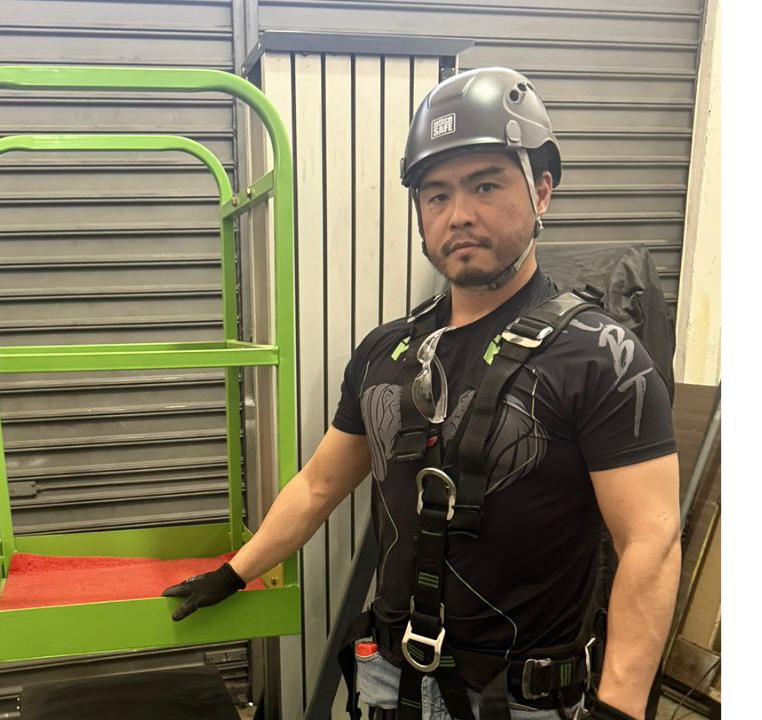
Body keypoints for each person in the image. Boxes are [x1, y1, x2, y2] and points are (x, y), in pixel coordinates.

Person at [162, 67, 681, 720]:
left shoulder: (603, 358)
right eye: (436, 195)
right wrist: (234, 571)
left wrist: (620, 707)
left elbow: (651, 541)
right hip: (389, 683)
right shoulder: (387, 353)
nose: (458, 214)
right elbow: (319, 485)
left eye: (485, 185)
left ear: (542, 190)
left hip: (523, 702)